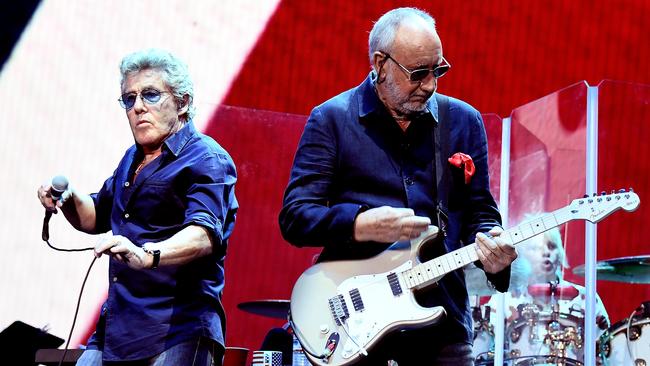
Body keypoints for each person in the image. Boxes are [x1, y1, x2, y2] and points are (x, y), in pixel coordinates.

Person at [279, 7, 516, 365]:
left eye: (438, 70)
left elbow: (480, 212)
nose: (431, 85)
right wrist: (359, 224)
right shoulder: (331, 119)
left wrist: (493, 251)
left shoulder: (463, 121)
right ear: (380, 63)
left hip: (442, 321)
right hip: (355, 324)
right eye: (418, 74)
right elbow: (296, 217)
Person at [37, 49, 238, 365]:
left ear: (182, 102)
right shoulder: (131, 159)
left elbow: (203, 236)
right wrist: (69, 196)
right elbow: (95, 217)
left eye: (151, 95)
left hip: (176, 331)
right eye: (129, 99)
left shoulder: (207, 160)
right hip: (116, 331)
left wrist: (147, 255)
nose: (138, 107)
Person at [480, 226, 609, 363]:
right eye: (536, 248)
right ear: (521, 255)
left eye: (552, 246)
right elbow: (486, 352)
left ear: (560, 253)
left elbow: (604, 350)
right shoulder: (503, 298)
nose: (546, 252)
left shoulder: (585, 297)